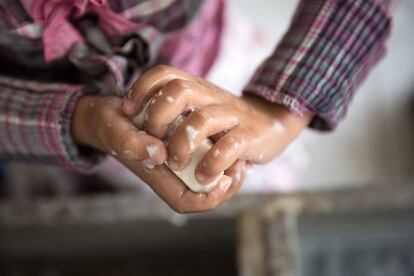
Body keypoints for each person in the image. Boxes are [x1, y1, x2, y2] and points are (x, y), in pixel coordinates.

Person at [0, 0, 396, 212]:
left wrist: (276, 115)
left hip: (213, 72)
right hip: (41, 120)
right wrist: (83, 122)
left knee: (242, 192)